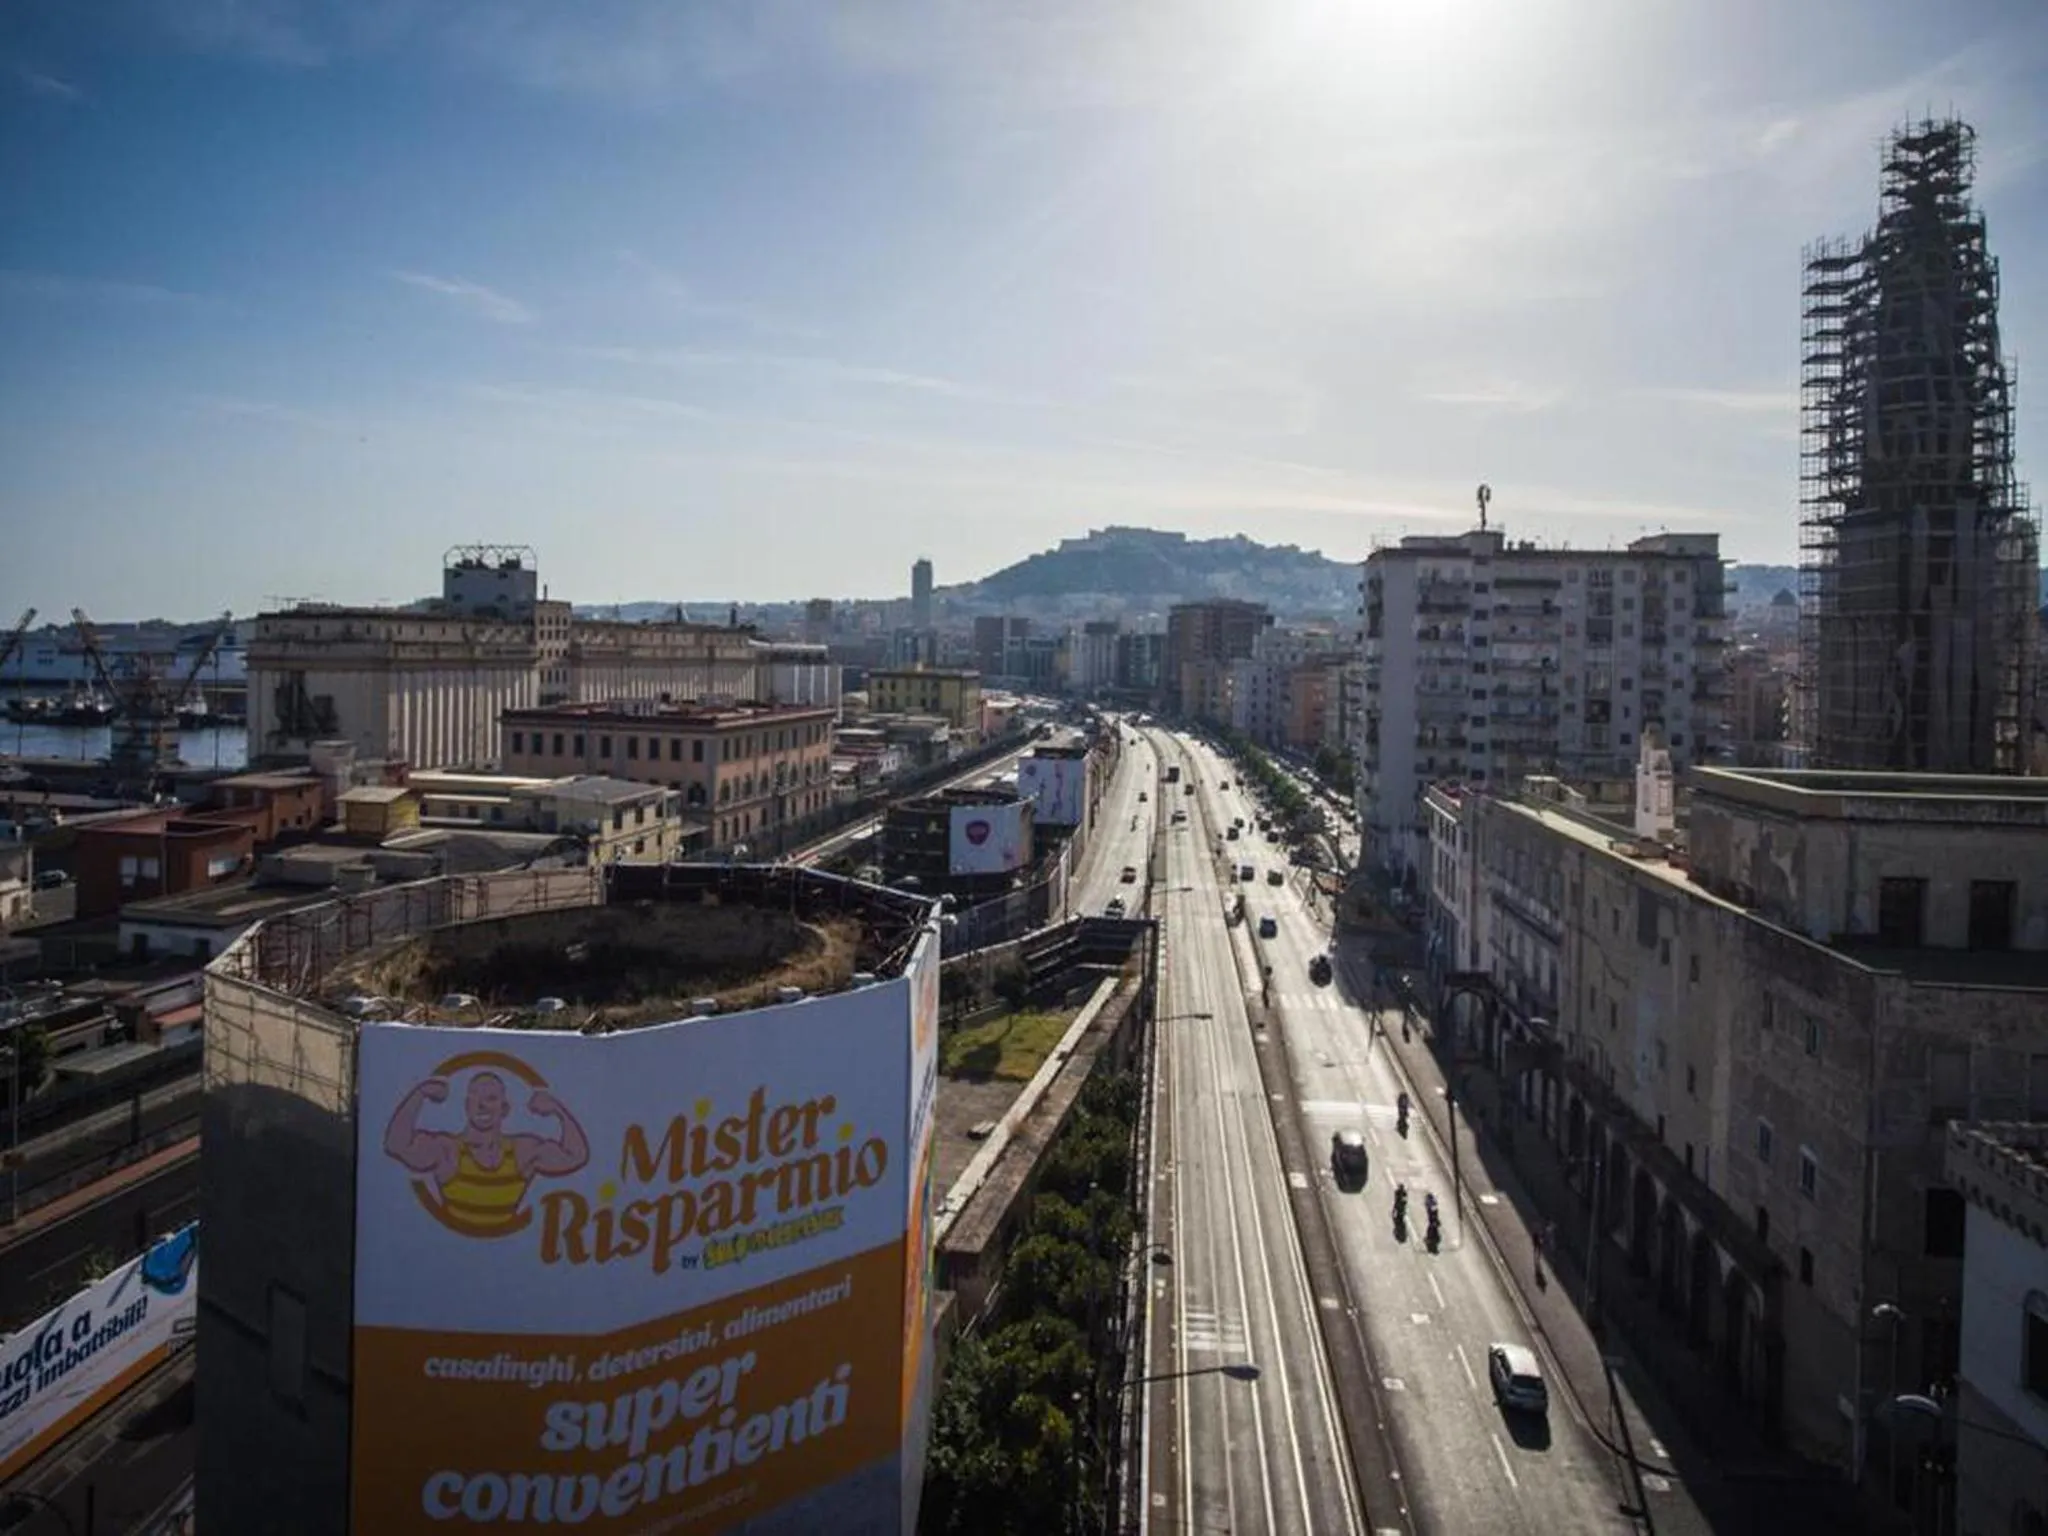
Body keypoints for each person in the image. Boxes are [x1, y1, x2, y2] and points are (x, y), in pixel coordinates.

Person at [384, 1070, 590, 1232]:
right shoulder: (449, 1151)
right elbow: (397, 1145)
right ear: (466, 1106)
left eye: (491, 1098)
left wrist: (558, 1111)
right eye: (475, 1099)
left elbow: (575, 1156)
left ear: (505, 1108)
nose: (482, 1106)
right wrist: (420, 1093)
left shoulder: (521, 1151)